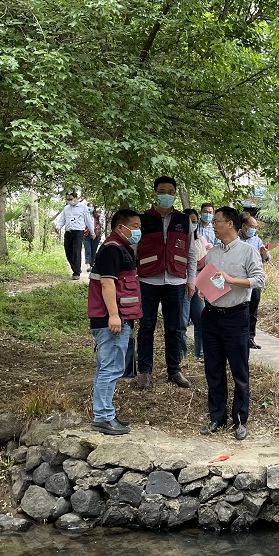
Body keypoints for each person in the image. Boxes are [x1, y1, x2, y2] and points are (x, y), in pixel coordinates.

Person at [200, 206, 264, 440]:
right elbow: (209, 280)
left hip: (236, 317)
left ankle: (240, 420)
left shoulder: (248, 251)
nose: (213, 225)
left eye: (216, 221)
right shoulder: (212, 253)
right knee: (213, 369)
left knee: (239, 370)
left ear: (230, 223)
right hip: (211, 315)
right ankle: (217, 417)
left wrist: (232, 280)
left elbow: (259, 280)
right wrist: (204, 289)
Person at [135, 176, 198, 390]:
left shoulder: (184, 221)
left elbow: (191, 253)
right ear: (155, 193)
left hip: (176, 280)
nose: (166, 195)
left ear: (175, 194)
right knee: (146, 326)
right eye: (162, 191)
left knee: (175, 327)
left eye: (170, 192)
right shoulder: (142, 219)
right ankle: (144, 371)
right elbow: (133, 251)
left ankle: (174, 369)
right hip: (147, 280)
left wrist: (191, 280)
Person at [87, 209, 143, 435]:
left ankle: (107, 412)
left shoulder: (121, 248)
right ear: (121, 227)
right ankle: (102, 417)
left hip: (118, 318)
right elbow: (107, 284)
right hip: (110, 320)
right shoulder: (112, 249)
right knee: (109, 369)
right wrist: (113, 315)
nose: (138, 230)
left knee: (110, 368)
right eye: (135, 226)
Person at [240, 213, 270, 350]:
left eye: (255, 227)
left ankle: (250, 337)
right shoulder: (236, 239)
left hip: (254, 280)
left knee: (253, 309)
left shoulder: (257, 241)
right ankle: (240, 336)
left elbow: (265, 259)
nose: (253, 229)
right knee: (241, 308)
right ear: (243, 226)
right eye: (251, 226)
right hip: (240, 280)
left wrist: (264, 253)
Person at [184, 209, 210, 360]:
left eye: (194, 222)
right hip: (182, 285)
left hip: (199, 285)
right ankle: (182, 355)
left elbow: (204, 261)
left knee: (200, 320)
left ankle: (200, 352)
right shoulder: (177, 241)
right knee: (181, 323)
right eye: (189, 221)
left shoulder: (201, 240)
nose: (191, 225)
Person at [53, 191, 95, 280]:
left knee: (76, 251)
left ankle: (76, 273)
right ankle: (76, 268)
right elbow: (62, 220)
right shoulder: (66, 208)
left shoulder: (83, 208)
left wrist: (92, 232)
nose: (69, 201)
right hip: (68, 232)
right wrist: (57, 228)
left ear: (76, 198)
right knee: (68, 252)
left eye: (71, 199)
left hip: (78, 232)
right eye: (68, 199)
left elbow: (88, 221)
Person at [83, 205, 102, 271]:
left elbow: (100, 225)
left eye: (92, 207)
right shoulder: (84, 215)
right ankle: (88, 265)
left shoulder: (96, 216)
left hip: (96, 234)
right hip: (86, 234)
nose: (90, 208)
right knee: (88, 250)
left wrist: (97, 232)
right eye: (89, 206)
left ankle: (92, 264)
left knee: (94, 250)